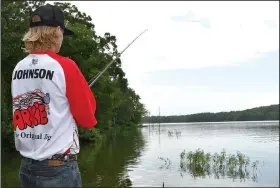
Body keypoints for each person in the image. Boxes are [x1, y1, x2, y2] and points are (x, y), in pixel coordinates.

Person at [11, 4, 97, 188]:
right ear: (57, 30)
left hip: (26, 167)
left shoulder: (18, 68)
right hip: (58, 169)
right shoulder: (65, 66)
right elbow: (88, 119)